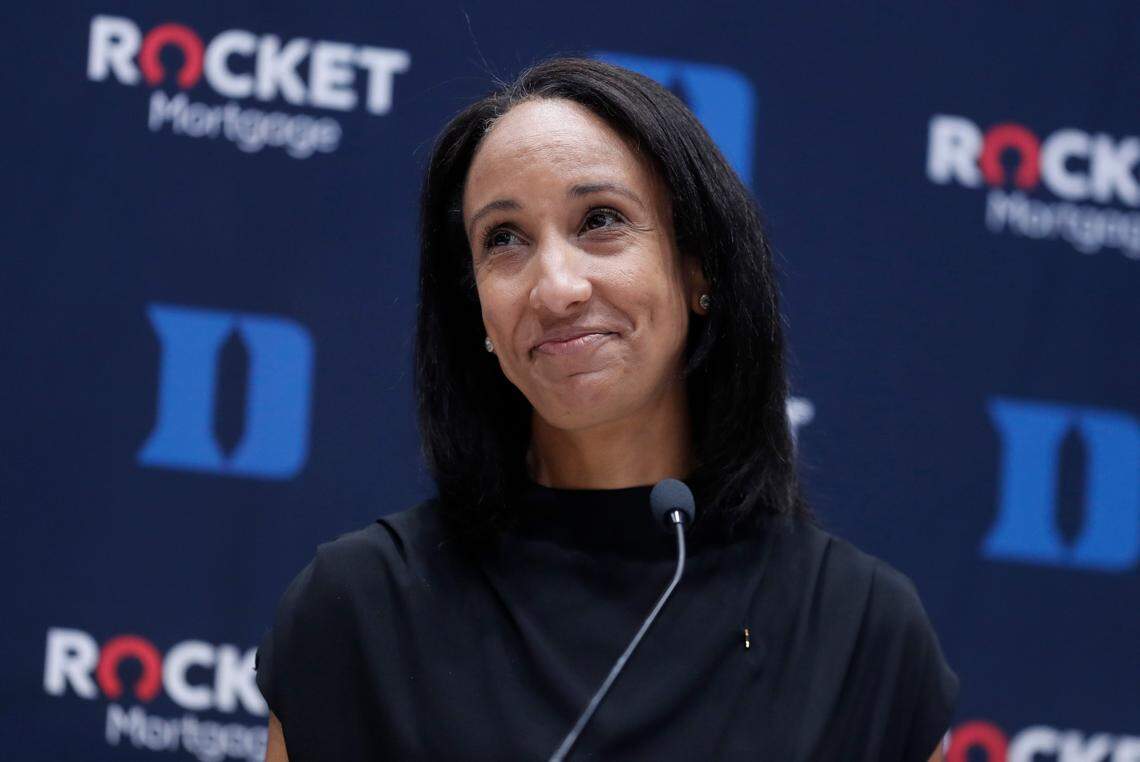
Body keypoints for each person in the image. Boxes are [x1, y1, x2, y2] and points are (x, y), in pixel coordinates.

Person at [255, 56, 959, 761]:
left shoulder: (863, 632)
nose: (555, 287)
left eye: (600, 221)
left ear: (698, 270)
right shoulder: (360, 608)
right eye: (504, 239)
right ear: (478, 314)